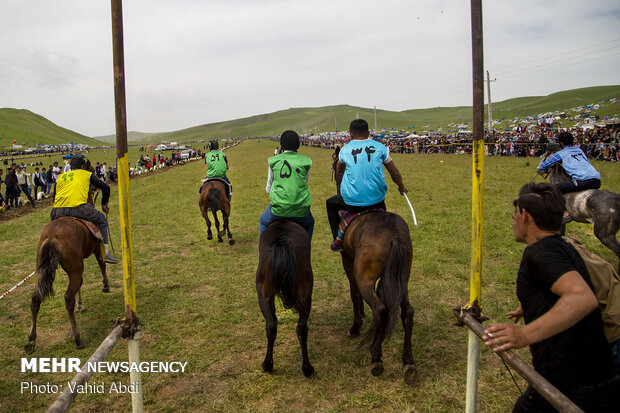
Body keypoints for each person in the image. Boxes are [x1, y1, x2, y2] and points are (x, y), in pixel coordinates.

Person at [483, 182, 619, 412]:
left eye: (514, 214)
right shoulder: (564, 246)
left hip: (571, 380)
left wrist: (525, 333)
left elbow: (581, 298)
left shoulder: (540, 253)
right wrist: (527, 305)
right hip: (593, 371)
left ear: (525, 216)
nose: (512, 221)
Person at [326, 119, 408, 251]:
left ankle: (337, 241)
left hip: (352, 203)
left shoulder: (345, 150)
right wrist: (401, 187)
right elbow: (395, 172)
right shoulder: (380, 147)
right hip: (377, 202)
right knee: (381, 204)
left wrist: (340, 189)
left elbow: (339, 170)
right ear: (368, 133)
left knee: (330, 203)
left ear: (350, 134)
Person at [51, 157, 119, 264]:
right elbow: (106, 188)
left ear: (71, 167)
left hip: (57, 210)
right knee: (102, 220)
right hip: (79, 207)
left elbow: (54, 196)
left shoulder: (60, 177)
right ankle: (104, 253)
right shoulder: (86, 174)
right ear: (82, 166)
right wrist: (104, 204)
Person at [259, 130, 314, 238]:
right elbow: (305, 182)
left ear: (281, 145)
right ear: (298, 144)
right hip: (301, 209)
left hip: (278, 209)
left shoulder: (273, 160)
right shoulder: (307, 161)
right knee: (310, 223)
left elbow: (269, 187)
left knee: (263, 221)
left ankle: (262, 249)